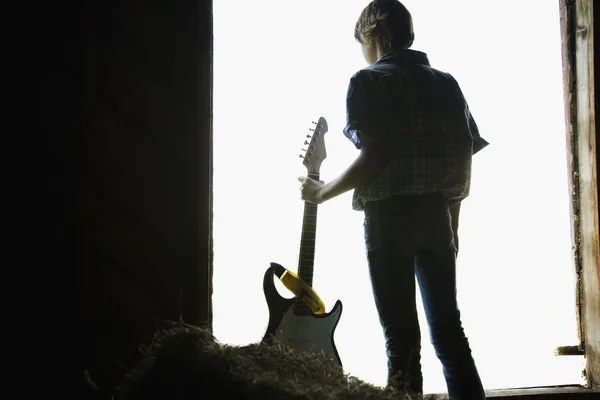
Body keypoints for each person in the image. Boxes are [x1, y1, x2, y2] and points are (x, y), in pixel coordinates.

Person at [297, 1, 489, 398]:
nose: (363, 53)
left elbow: (373, 158)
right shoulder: (447, 83)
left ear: (376, 35)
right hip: (438, 214)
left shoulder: (368, 81)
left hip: (390, 219)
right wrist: (452, 223)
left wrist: (320, 192)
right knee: (450, 335)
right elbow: (462, 157)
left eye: (362, 43)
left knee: (401, 343)